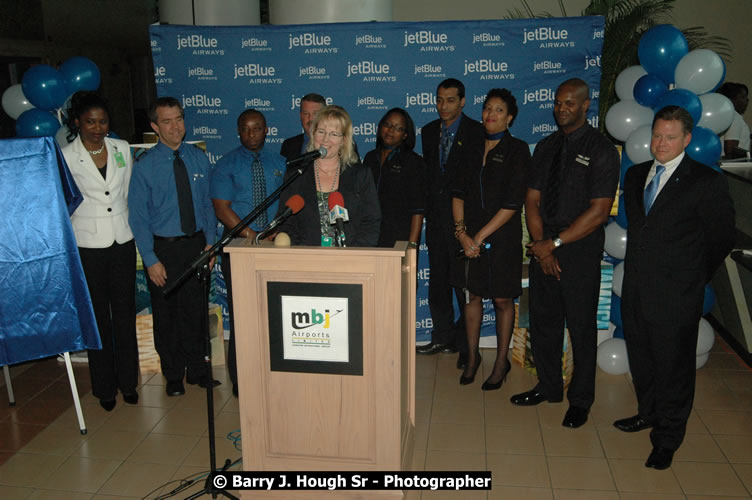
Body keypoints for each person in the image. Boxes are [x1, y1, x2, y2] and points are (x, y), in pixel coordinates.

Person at [615, 105, 735, 470]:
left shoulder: (706, 181)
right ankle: (648, 413)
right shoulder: (636, 175)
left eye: (670, 137)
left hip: (677, 294)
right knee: (643, 360)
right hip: (636, 288)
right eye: (656, 135)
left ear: (686, 139)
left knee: (673, 368)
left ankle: (667, 438)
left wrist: (690, 277)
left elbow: (720, 238)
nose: (660, 143)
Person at [511, 78, 619, 430]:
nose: (561, 109)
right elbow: (532, 199)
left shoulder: (601, 149)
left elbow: (600, 212)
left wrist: (555, 246)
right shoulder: (545, 146)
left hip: (579, 249)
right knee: (543, 321)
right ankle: (549, 386)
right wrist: (542, 246)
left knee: (581, 327)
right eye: (558, 103)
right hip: (545, 245)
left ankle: (581, 400)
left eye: (569, 103)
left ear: (586, 105)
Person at [128, 97, 217, 397]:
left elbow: (207, 204)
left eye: (178, 119)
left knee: (195, 311)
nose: (175, 126)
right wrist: (150, 259)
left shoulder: (198, 158)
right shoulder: (145, 167)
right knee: (167, 316)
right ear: (155, 126)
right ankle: (174, 375)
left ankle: (198, 370)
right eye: (166, 121)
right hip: (163, 250)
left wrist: (211, 243)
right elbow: (138, 218)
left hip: (196, 246)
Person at [62, 91, 139, 412]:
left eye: (103, 121)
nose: (97, 127)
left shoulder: (122, 149)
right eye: (90, 121)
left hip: (122, 240)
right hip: (88, 245)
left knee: (124, 315)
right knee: (98, 320)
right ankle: (105, 387)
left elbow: (125, 191)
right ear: (77, 122)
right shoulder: (65, 156)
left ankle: (129, 382)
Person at [450, 88, 530, 389]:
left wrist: (479, 238)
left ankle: (500, 362)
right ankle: (472, 358)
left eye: (498, 110)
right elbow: (456, 194)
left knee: (500, 298)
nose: (490, 114)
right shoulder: (468, 147)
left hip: (501, 238)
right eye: (487, 108)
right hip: (468, 237)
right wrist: (461, 234)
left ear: (509, 118)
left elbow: (512, 204)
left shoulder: (517, 150)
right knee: (473, 296)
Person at [210, 109, 285, 397]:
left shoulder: (279, 162)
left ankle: (272, 373)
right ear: (238, 131)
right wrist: (251, 235)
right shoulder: (226, 164)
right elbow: (221, 208)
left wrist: (277, 232)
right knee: (243, 316)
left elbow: (286, 201)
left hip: (274, 247)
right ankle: (242, 380)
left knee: (273, 315)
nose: (251, 133)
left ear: (267, 130)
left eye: (257, 128)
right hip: (239, 248)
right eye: (245, 128)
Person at [417, 78, 485, 369]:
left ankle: (468, 346)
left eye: (450, 100)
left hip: (464, 222)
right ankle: (442, 336)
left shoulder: (476, 132)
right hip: (435, 221)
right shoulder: (429, 131)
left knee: (464, 285)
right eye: (439, 100)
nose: (443, 106)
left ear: (463, 101)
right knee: (438, 283)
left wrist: (465, 226)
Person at [275, 105, 380, 247]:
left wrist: (354, 255)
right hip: (306, 259)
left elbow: (371, 221)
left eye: (334, 134)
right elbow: (286, 222)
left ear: (344, 140)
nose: (325, 139)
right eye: (321, 131)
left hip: (352, 260)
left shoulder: (360, 175)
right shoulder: (297, 174)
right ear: (313, 134)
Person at [363, 108, 426, 248]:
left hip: (399, 238)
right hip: (370, 236)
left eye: (398, 128)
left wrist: (412, 245)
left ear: (405, 135)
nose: (391, 130)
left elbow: (418, 210)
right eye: (388, 125)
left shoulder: (413, 162)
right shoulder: (370, 158)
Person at [280, 93, 326, 163]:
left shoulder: (333, 144)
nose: (310, 119)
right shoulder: (289, 145)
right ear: (300, 115)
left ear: (324, 116)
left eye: (315, 113)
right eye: (306, 113)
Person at [718, 82, 750, 159]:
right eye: (742, 97)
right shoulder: (734, 117)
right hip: (732, 168)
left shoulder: (723, 115)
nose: (747, 100)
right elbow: (731, 150)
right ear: (731, 99)